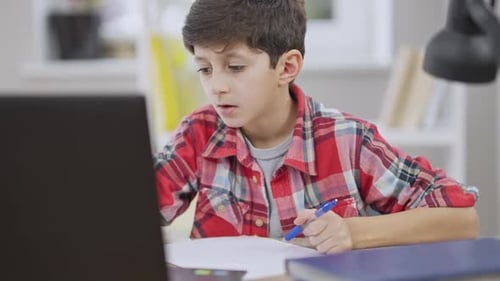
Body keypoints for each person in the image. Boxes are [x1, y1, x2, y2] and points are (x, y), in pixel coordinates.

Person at [154, 0, 479, 254]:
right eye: (205, 69)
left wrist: (353, 233)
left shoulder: (348, 141)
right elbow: (131, 214)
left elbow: (462, 220)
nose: (217, 86)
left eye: (235, 67)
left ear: (287, 67)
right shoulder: (199, 134)